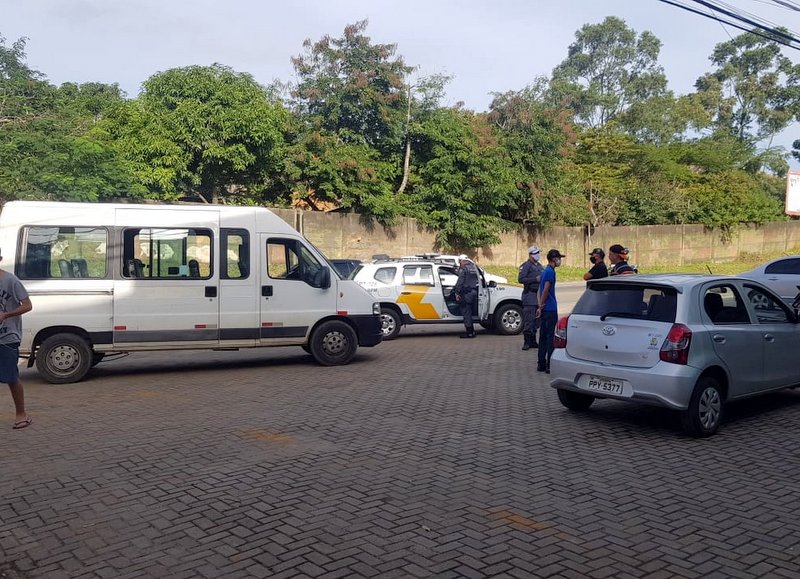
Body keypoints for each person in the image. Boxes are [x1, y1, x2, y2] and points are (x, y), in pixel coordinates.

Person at [0, 249, 33, 429]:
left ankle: (21, 413)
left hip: (7, 336)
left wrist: (6, 314)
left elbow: (28, 305)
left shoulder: (10, 280)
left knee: (11, 376)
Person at [535, 249, 564, 373]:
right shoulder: (550, 272)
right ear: (554, 259)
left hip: (545, 308)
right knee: (550, 337)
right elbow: (546, 290)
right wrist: (541, 306)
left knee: (543, 336)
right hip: (550, 309)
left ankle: (541, 363)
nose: (560, 261)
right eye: (559, 258)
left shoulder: (545, 271)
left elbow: (540, 291)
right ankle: (549, 364)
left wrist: (540, 306)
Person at [518, 246, 543, 351]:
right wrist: (534, 279)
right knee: (529, 320)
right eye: (535, 253)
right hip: (530, 296)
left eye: (538, 252)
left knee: (537, 321)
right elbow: (521, 279)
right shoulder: (526, 266)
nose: (538, 255)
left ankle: (533, 341)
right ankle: (527, 342)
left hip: (539, 296)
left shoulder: (540, 266)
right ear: (530, 255)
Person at [453, 255, 480, 338]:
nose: (459, 264)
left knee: (466, 312)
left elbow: (460, 282)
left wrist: (457, 292)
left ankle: (470, 332)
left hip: (467, 293)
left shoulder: (464, 269)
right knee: (471, 312)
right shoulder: (474, 267)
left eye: (459, 262)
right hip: (475, 292)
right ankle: (472, 331)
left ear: (462, 261)